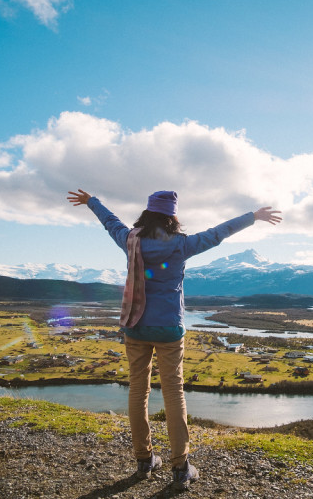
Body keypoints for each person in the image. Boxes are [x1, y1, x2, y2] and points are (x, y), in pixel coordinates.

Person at [67, 188, 281, 490]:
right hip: (168, 329)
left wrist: (92, 201)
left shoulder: (131, 240)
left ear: (147, 213)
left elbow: (110, 222)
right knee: (173, 393)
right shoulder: (182, 245)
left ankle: (144, 460)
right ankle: (180, 468)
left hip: (135, 326)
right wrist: (253, 217)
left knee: (138, 390)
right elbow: (217, 233)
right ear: (172, 217)